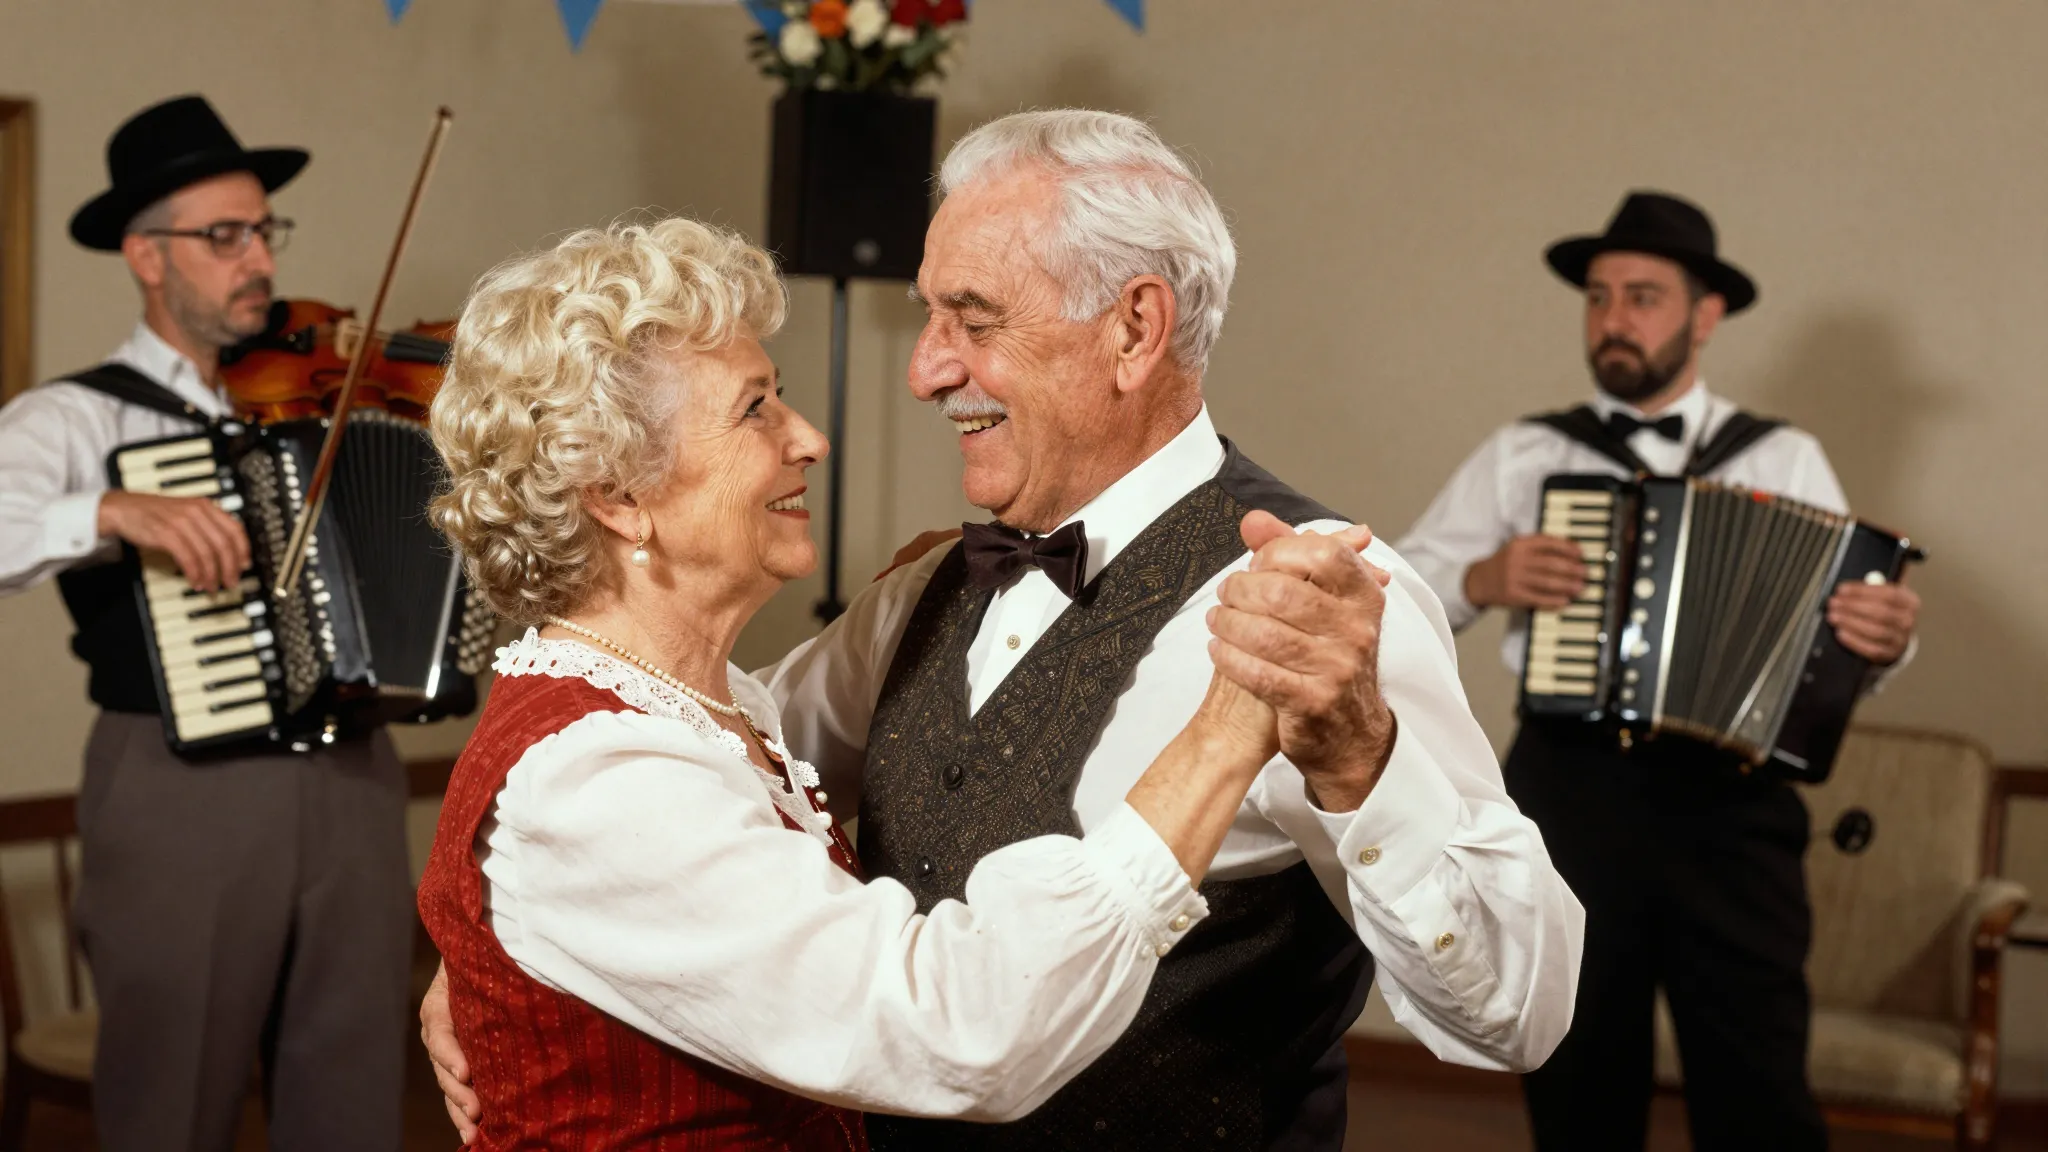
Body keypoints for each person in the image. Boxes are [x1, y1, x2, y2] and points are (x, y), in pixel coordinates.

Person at [427, 109, 1585, 1151]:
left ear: (1133, 330)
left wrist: (1360, 757)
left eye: (969, 319)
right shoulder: (919, 596)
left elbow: (1517, 1016)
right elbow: (674, 777)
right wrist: (503, 948)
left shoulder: (1322, 603)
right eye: (927, 316)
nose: (924, 371)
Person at [1395, 189, 1923, 1151]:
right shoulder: (1527, 451)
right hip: (1572, 793)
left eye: (1642, 297)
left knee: (1758, 1086)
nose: (1613, 319)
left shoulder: (1784, 457)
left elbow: (1843, 633)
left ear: (1705, 315)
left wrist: (1884, 637)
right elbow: (1398, 590)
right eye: (1598, 297)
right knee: (1578, 1079)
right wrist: (1484, 575)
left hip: (1735, 806)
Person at [0, 95, 412, 1151]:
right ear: (146, 255)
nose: (257, 260)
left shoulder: (328, 393)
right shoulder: (78, 416)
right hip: (178, 787)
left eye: (263, 231)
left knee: (354, 1102)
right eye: (224, 236)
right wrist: (106, 508)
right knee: (170, 1104)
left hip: (355, 780)